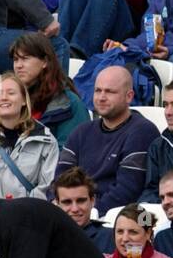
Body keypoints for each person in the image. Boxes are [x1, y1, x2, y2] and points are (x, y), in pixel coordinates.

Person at [58, 66, 160, 212]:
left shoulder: (142, 131)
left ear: (129, 96)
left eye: (110, 92)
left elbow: (127, 190)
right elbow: (60, 179)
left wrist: (90, 212)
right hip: (74, 212)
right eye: (98, 90)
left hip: (112, 220)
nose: (101, 97)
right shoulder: (81, 131)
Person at [0, 74, 59, 201]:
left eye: (11, 93)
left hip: (32, 216)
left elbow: (48, 187)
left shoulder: (46, 140)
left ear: (23, 101)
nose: (4, 98)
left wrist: (23, 211)